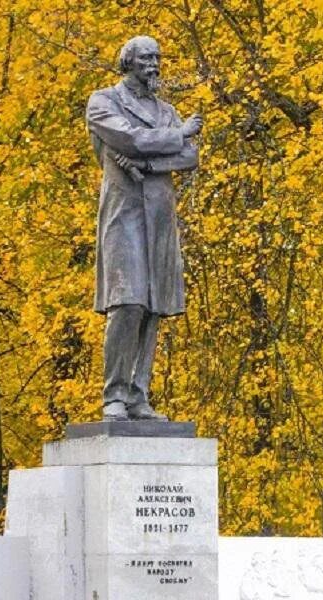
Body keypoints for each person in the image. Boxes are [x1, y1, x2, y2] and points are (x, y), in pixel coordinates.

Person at [85, 35, 203, 420]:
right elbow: (129, 139)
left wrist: (154, 163)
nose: (154, 65)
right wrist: (177, 135)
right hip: (125, 213)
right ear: (128, 62)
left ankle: (139, 394)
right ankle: (114, 393)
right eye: (147, 58)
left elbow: (189, 157)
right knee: (128, 301)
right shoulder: (104, 102)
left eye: (158, 58)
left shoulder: (166, 110)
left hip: (159, 215)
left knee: (153, 306)